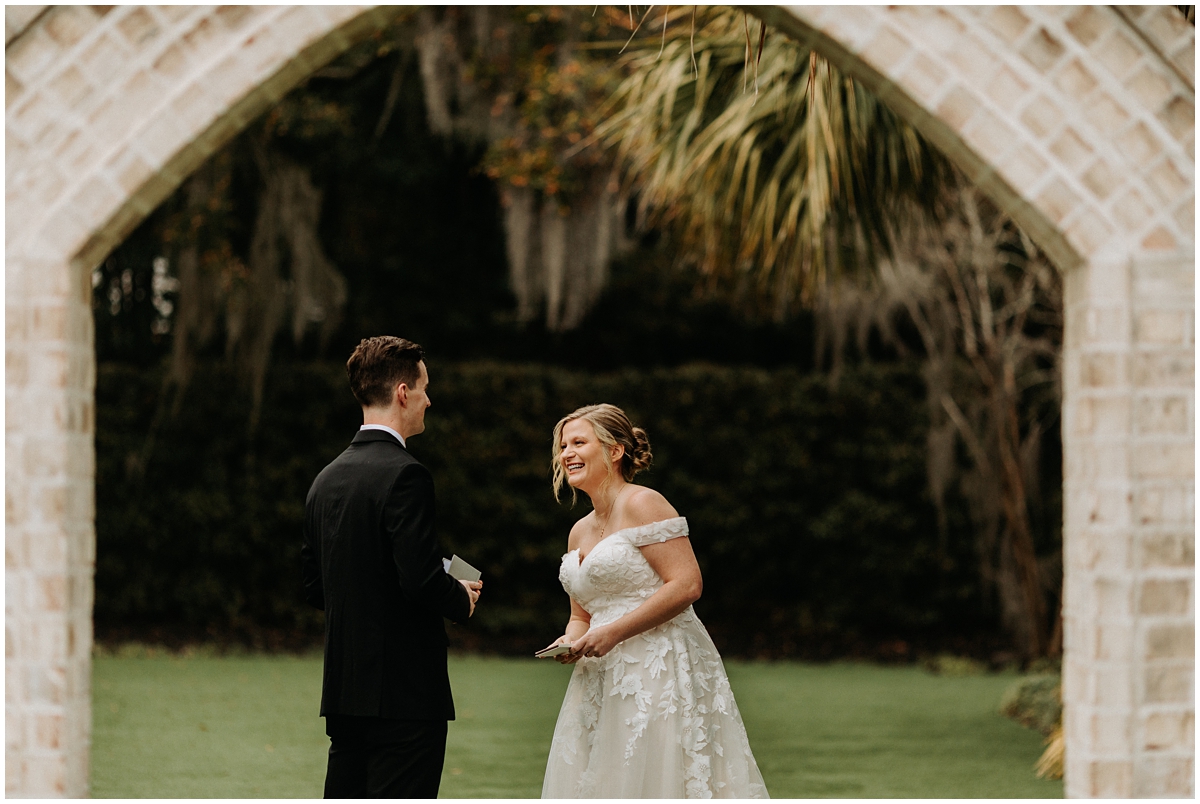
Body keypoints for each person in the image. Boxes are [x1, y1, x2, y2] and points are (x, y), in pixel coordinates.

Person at [539, 404, 768, 798]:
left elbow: (686, 584)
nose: (567, 454)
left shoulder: (644, 503)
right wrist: (570, 638)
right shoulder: (578, 531)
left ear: (614, 451)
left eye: (579, 442)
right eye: (563, 446)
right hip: (599, 673)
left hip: (656, 665)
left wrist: (613, 632)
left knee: (656, 774)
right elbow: (581, 613)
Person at [301, 336, 482, 798]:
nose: (428, 399)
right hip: (404, 695)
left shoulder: (325, 479)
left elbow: (312, 586)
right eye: (424, 387)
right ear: (403, 392)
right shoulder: (407, 474)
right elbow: (420, 580)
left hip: (344, 693)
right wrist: (460, 596)